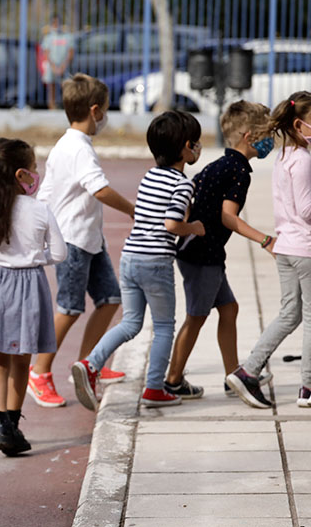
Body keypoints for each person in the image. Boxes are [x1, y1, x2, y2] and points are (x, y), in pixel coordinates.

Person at [72, 111, 206, 411]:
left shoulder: (149, 175)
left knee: (131, 322)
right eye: (195, 143)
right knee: (163, 327)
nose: (198, 148)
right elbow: (172, 225)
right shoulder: (183, 184)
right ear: (186, 147)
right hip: (156, 261)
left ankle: (91, 364)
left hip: (130, 258)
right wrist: (194, 228)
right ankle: (155, 389)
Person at [29, 74, 135, 408]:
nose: (105, 116)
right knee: (70, 308)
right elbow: (99, 188)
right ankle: (39, 371)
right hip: (73, 241)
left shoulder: (67, 145)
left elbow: (46, 192)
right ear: (93, 111)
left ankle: (90, 365)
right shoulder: (77, 148)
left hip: (90, 239)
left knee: (110, 298)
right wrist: (136, 210)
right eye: (104, 110)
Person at [0, 138, 67, 455]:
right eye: (35, 168)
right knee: (22, 360)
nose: (37, 174)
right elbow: (59, 254)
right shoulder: (39, 210)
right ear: (22, 174)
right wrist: (35, 258)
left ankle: (0, 426)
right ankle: (13, 424)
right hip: (30, 285)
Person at [167, 101, 276, 406]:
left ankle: (234, 376)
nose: (271, 141)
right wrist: (265, 240)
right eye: (267, 134)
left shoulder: (220, 165)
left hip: (204, 252)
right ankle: (172, 381)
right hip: (202, 255)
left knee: (228, 309)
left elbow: (192, 196)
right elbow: (229, 216)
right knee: (196, 317)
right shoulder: (239, 171)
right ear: (249, 136)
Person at [227, 91, 311, 408]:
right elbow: (305, 210)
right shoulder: (302, 161)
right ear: (299, 124)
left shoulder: (284, 157)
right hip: (305, 249)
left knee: (290, 315)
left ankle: (249, 371)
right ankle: (308, 388)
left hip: (287, 248)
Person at [41, 15, 75, 110]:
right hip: (52, 67)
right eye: (54, 22)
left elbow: (71, 52)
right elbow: (46, 53)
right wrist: (53, 67)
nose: (56, 25)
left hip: (64, 67)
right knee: (51, 87)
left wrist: (63, 66)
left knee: (66, 87)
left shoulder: (68, 37)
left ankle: (67, 107)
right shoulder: (48, 38)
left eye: (57, 22)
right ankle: (52, 108)